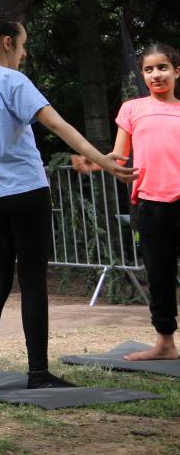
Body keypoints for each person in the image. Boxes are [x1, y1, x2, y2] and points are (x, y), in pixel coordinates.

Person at [0, 11, 136, 393]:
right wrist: (104, 160)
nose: (23, 53)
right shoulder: (13, 80)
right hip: (26, 193)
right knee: (34, 282)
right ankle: (37, 372)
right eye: (22, 46)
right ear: (7, 43)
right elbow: (58, 126)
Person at [110, 42, 180, 361]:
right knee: (159, 275)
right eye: (149, 69)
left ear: (177, 71)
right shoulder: (132, 109)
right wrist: (93, 161)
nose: (156, 74)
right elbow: (119, 156)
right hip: (150, 205)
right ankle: (165, 343)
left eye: (162, 67)